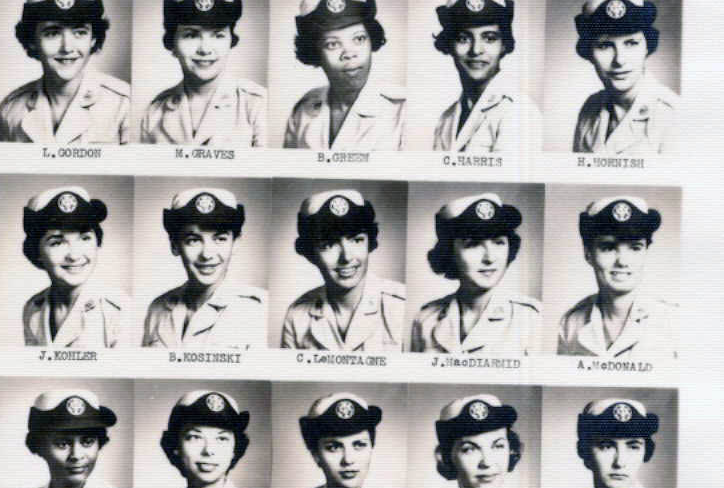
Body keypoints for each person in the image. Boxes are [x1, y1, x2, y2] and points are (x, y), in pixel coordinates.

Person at [0, 0, 131, 145]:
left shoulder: (123, 104)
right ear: (32, 40)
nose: (67, 47)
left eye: (79, 33)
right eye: (52, 33)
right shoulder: (10, 110)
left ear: (93, 39)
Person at [0, 387, 132, 488]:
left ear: (99, 444)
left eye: (87, 442)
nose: (76, 455)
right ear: (40, 447)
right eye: (62, 444)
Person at [411, 192, 540, 356]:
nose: (490, 258)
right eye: (473, 244)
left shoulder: (531, 319)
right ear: (449, 252)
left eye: (498, 242)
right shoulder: (425, 320)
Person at [140, 0, 265, 148]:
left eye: (218, 35)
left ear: (231, 41)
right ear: (172, 42)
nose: (205, 49)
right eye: (191, 35)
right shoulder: (155, 111)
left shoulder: (257, 105)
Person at [143, 389, 267, 488]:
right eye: (195, 437)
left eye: (221, 438)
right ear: (176, 446)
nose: (209, 450)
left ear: (235, 449)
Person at [281, 189, 405, 353]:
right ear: (311, 254)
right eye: (328, 245)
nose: (346, 257)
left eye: (356, 240)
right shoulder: (297, 316)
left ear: (370, 243)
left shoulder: (400, 306)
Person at [142, 186, 265, 350]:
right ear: (175, 245)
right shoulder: (157, 309)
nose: (207, 254)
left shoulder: (258, 311)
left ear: (235, 243)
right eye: (193, 240)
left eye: (220, 239)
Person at [283, 0, 404, 152]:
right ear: (315, 52)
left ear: (371, 41)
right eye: (332, 44)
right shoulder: (302, 110)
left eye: (359, 39)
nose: (349, 54)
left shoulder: (401, 111)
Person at [558, 197, 677, 358]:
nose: (622, 261)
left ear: (645, 253)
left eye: (635, 248)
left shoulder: (674, 321)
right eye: (608, 247)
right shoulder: (571, 323)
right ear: (588, 254)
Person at [20, 186, 130, 351]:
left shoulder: (120, 311)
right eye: (57, 242)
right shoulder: (32, 308)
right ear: (37, 251)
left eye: (85, 238)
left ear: (97, 243)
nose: (74, 255)